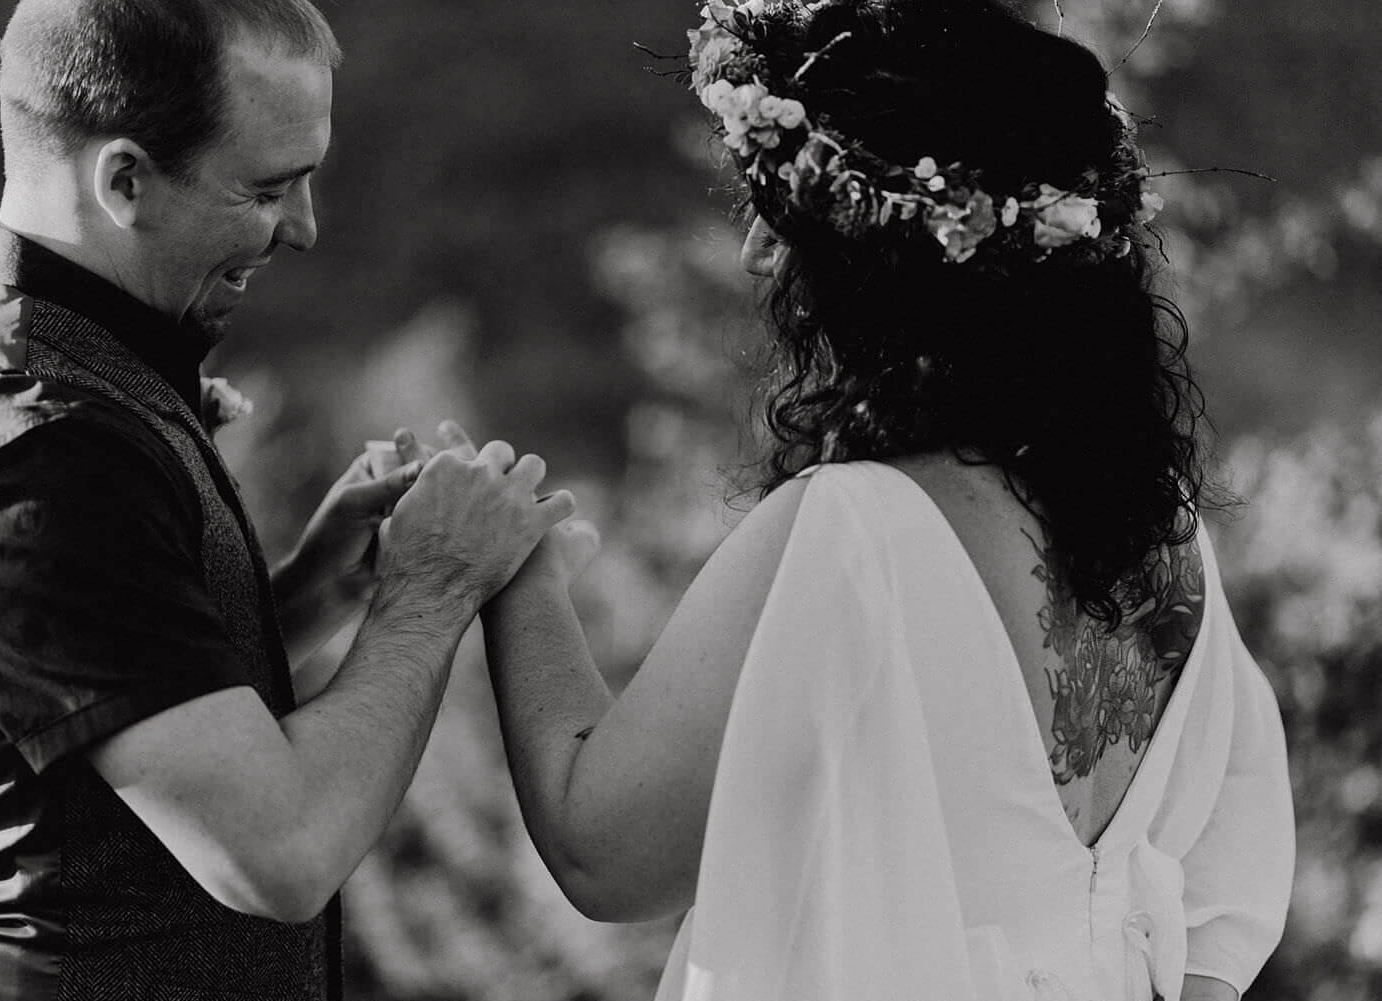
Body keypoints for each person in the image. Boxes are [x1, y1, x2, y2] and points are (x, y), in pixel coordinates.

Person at [480, 1, 1295, 998]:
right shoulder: (1174, 547)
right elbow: (1222, 915)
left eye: (785, 218)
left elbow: (602, 849)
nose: (754, 254)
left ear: (881, 263)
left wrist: (507, 559)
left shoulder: (852, 535)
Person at [0, 1, 572, 998]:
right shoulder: (32, 446)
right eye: (267, 188)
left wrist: (303, 596)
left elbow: (103, 720)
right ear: (123, 179)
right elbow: (278, 853)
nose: (303, 227)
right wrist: (435, 585)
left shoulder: (66, 361)